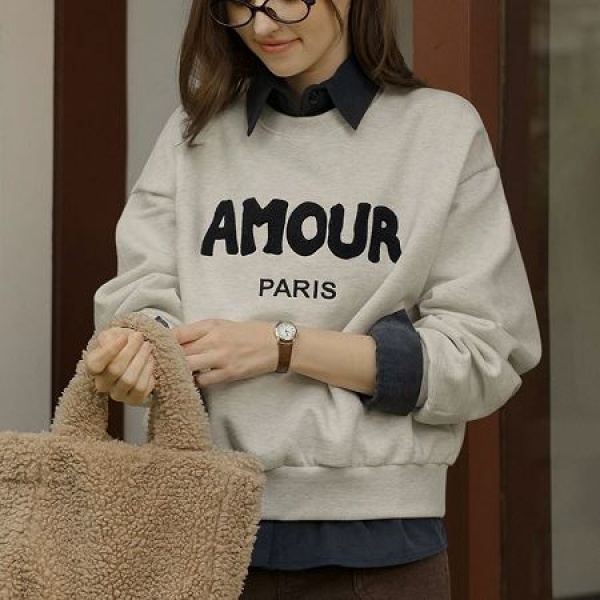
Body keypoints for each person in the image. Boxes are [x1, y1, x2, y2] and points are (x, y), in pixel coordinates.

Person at [86, 0, 542, 597]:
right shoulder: (191, 134)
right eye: (242, 4)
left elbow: (486, 354)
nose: (263, 25)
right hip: (201, 532)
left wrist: (283, 346)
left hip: (380, 551)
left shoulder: (440, 133)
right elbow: (141, 305)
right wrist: (136, 356)